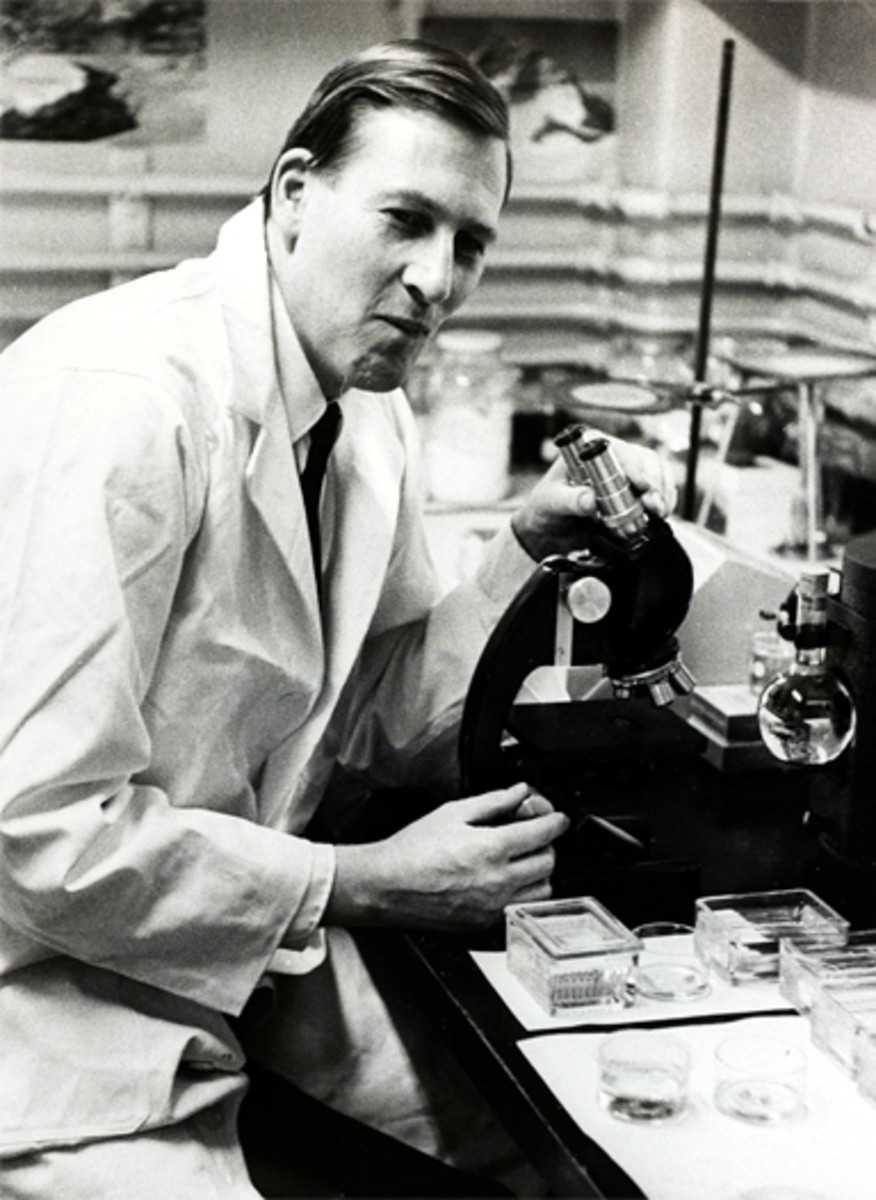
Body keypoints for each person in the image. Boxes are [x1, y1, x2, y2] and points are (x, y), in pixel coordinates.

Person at [0, 39, 676, 1200]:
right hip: (49, 997)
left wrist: (521, 547)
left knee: (565, 1146)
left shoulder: (360, 413)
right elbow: (36, 827)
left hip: (231, 955)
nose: (436, 278)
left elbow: (368, 716)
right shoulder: (125, 402)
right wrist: (359, 882)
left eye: (470, 242)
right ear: (296, 193)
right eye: (404, 219)